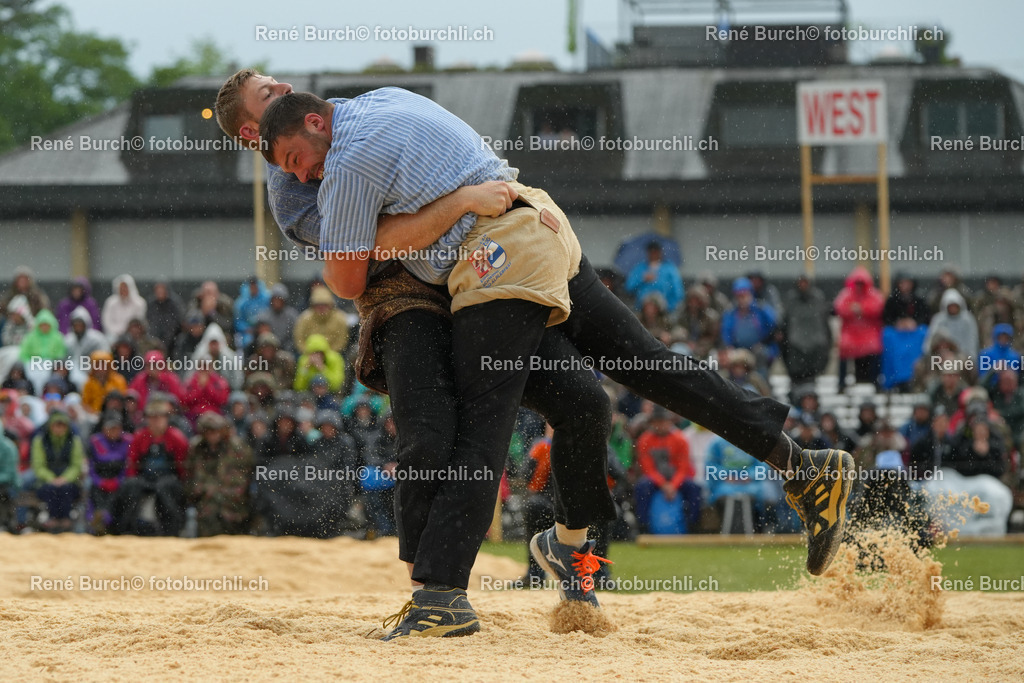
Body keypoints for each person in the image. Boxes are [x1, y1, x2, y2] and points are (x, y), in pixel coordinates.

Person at [225, 74, 853, 638]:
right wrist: (457, 203)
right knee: (621, 380)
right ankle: (796, 467)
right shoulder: (372, 108)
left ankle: (441, 591)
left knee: (482, 417)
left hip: (493, 255)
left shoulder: (348, 158)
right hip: (539, 224)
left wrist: (454, 207)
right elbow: (365, 245)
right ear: (253, 132)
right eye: (285, 157)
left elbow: (348, 274)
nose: (304, 173)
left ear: (310, 121)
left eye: (299, 157)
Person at [111, 398, 189, 536]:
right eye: (152, 417)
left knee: (165, 490)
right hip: (145, 478)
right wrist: (134, 479)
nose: (156, 421)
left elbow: (182, 467)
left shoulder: (177, 438)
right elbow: (132, 465)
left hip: (168, 479)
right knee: (131, 486)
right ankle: (127, 529)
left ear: (166, 418)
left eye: (159, 417)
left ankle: (171, 530)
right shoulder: (140, 437)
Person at [632, 407, 702, 534]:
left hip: (677, 478)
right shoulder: (645, 440)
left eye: (663, 421)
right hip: (654, 479)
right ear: (652, 423)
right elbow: (648, 468)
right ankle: (643, 527)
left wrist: (673, 485)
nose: (661, 425)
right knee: (642, 487)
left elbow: (683, 467)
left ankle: (693, 526)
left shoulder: (680, 439)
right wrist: (664, 485)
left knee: (694, 488)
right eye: (657, 421)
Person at [185, 411, 253, 536]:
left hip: (232, 498)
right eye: (208, 432)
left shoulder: (237, 448)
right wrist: (204, 489)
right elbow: (192, 476)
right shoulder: (197, 448)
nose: (212, 435)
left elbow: (243, 477)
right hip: (206, 500)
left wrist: (220, 489)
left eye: (215, 431)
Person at [30, 409, 85, 533]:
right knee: (51, 489)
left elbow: (76, 465)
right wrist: (52, 478)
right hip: (46, 481)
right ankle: (53, 519)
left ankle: (65, 520)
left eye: (62, 425)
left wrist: (65, 478)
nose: (59, 429)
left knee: (66, 489)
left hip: (69, 481)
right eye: (56, 425)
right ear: (50, 426)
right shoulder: (40, 441)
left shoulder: (74, 441)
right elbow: (38, 466)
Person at [834, 266, 885, 391]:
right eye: (857, 283)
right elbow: (839, 308)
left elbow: (879, 308)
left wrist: (861, 309)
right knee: (843, 349)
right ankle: (841, 383)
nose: (859, 286)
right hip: (851, 333)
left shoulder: (873, 294)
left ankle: (875, 381)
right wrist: (853, 311)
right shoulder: (846, 294)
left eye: (861, 283)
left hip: (869, 332)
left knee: (875, 347)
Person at [780, 275, 831, 388]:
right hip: (795, 345)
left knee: (811, 377)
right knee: (796, 377)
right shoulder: (791, 300)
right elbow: (785, 322)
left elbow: (824, 323)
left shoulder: (818, 299)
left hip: (814, 344)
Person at [721, 277, 777, 375]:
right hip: (737, 349)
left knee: (761, 357)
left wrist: (765, 345)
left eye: (744, 295)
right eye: (739, 296)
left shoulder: (761, 310)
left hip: (758, 349)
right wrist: (729, 348)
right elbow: (726, 333)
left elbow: (773, 329)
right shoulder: (730, 313)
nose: (742, 299)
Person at [86, 413, 132, 533]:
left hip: (119, 479)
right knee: (92, 489)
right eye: (111, 428)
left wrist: (118, 481)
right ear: (104, 429)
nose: (114, 431)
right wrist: (100, 481)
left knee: (120, 494)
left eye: (116, 428)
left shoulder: (128, 441)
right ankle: (95, 520)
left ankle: (111, 522)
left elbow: (129, 466)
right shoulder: (95, 441)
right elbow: (91, 466)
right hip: (100, 478)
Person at [624, 241, 683, 314]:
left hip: (665, 311)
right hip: (642, 310)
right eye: (651, 252)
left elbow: (678, 292)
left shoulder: (670, 269)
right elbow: (629, 287)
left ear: (660, 252)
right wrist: (642, 279)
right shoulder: (639, 268)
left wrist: (669, 307)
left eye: (656, 251)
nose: (653, 254)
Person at [924, 289, 980, 361]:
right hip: (942, 358)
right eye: (950, 306)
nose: (953, 309)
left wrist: (971, 358)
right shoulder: (939, 319)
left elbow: (972, 340)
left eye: (955, 306)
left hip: (963, 358)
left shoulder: (968, 319)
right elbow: (932, 337)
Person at [293, 285, 349, 354]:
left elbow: (342, 340)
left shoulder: (339, 319)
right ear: (313, 306)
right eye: (318, 305)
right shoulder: (304, 319)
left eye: (324, 305)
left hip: (334, 354)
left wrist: (328, 353)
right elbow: (299, 339)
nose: (321, 308)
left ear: (330, 305)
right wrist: (309, 352)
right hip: (309, 354)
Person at [81, 350, 128, 415]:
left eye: (103, 365)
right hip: (93, 417)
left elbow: (122, 401)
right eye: (97, 365)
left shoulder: (119, 381)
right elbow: (85, 404)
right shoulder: (89, 383)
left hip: (116, 414)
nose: (100, 369)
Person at [101, 274, 147, 342]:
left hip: (132, 335)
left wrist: (126, 331)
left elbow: (137, 322)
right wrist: (117, 331)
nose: (123, 290)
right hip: (113, 335)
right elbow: (106, 321)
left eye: (125, 287)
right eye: (121, 288)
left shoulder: (139, 303)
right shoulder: (110, 303)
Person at [147, 280, 185, 352]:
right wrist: (155, 340)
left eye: (162, 289)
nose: (160, 291)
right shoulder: (151, 304)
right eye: (157, 289)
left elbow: (175, 323)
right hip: (155, 340)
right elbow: (150, 322)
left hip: (173, 340)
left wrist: (166, 341)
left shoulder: (175, 303)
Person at [234, 277, 271, 349]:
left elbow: (271, 315)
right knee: (248, 342)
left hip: (264, 329)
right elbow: (238, 321)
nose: (253, 288)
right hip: (248, 332)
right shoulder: (241, 302)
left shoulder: (267, 298)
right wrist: (246, 329)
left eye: (255, 286)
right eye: (251, 286)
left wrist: (264, 327)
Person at [265, 284, 300, 353]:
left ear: (284, 301)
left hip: (289, 349)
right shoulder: (265, 316)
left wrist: (287, 347)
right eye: (275, 300)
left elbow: (295, 335)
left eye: (279, 300)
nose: (276, 303)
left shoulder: (292, 315)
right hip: (270, 349)